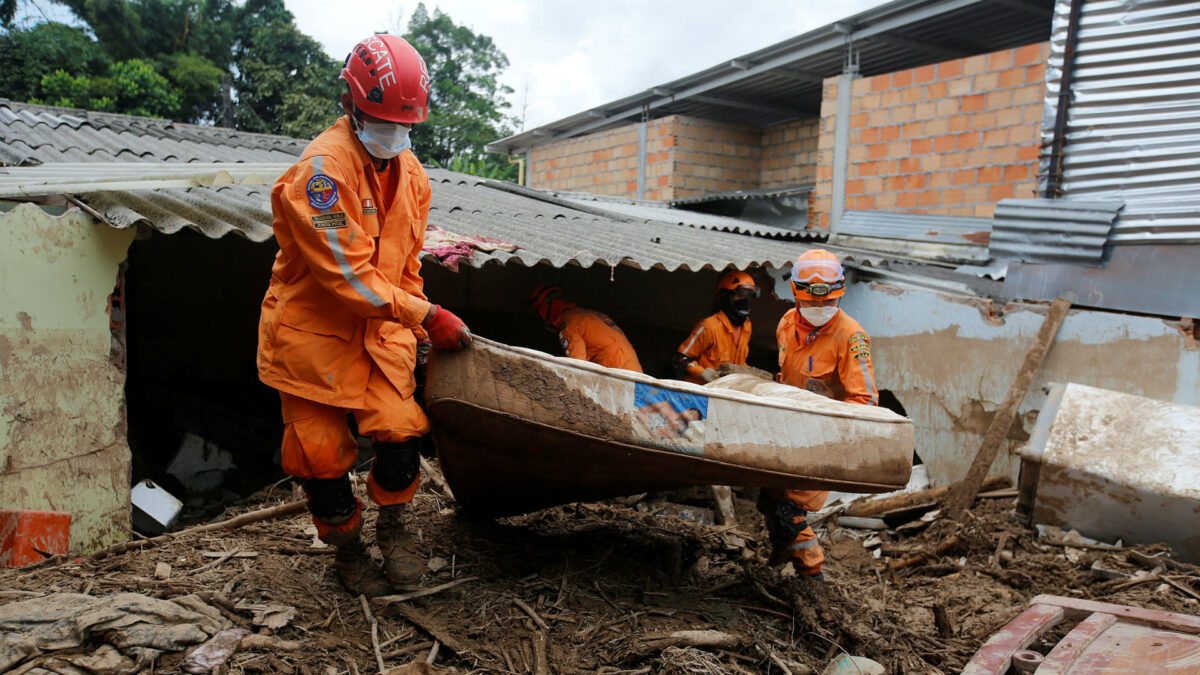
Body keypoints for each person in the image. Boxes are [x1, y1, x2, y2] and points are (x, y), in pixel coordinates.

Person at [257, 34, 471, 597]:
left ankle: (395, 529)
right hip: (313, 340)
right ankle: (348, 551)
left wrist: (415, 321)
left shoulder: (415, 176)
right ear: (351, 104)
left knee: (402, 442)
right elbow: (347, 277)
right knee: (321, 462)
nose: (394, 135)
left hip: (382, 336)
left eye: (405, 125)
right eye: (381, 120)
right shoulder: (321, 176)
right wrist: (428, 316)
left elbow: (407, 267)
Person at [761, 249, 878, 581]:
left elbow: (865, 400)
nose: (819, 311)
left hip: (824, 441)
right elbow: (784, 376)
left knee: (790, 514)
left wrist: (831, 435)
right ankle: (776, 563)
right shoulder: (786, 324)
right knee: (769, 502)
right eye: (812, 304)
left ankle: (813, 580)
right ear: (797, 294)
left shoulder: (851, 337)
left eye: (827, 303)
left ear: (838, 294)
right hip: (787, 431)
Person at [528, 283, 643, 372]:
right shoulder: (590, 315)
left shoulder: (569, 325)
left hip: (618, 378)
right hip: (637, 374)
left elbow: (577, 366)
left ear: (542, 312)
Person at [673, 270, 758, 384]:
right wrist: (702, 373)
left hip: (724, 391)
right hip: (700, 391)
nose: (745, 300)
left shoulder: (746, 326)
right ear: (727, 295)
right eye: (741, 294)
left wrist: (751, 373)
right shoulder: (709, 326)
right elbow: (680, 359)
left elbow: (738, 364)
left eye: (749, 295)